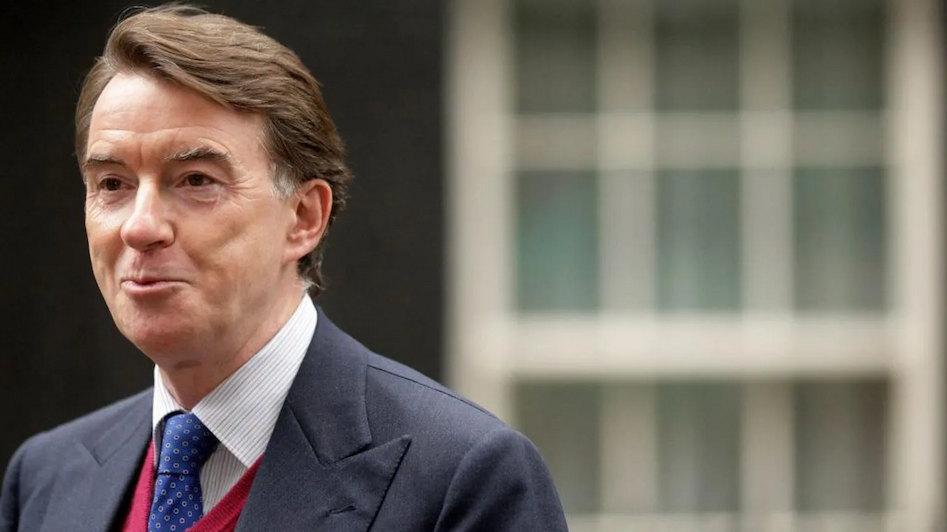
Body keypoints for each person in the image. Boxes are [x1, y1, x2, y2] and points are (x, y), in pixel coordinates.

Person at [0, 4, 567, 531]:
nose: (140, 226)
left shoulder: (464, 478)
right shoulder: (46, 479)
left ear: (303, 217)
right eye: (112, 184)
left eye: (196, 180)